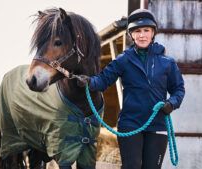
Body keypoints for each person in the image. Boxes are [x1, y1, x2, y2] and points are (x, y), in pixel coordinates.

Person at [77, 9, 185, 169]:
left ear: (153, 32)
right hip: (131, 123)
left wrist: (171, 103)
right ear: (131, 35)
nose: (142, 35)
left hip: (157, 124)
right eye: (137, 31)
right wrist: (88, 82)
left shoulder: (167, 62)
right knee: (132, 166)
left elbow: (179, 89)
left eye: (146, 30)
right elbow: (103, 80)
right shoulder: (123, 60)